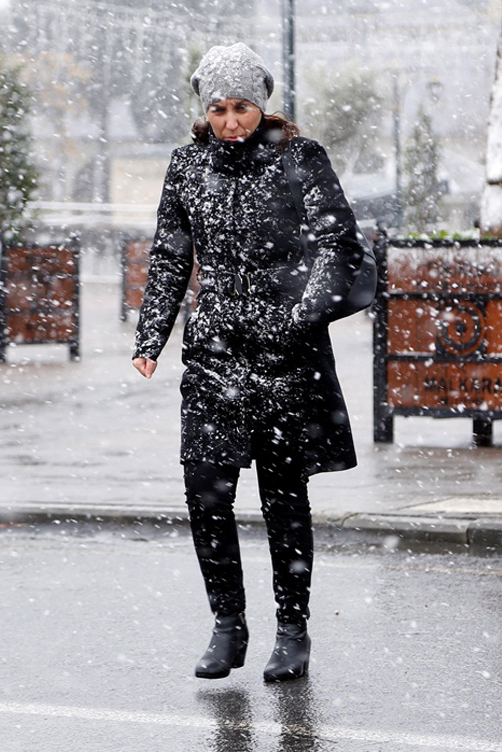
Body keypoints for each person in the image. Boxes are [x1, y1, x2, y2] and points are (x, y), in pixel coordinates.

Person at [131, 42, 363, 683]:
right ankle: (227, 625)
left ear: (261, 105)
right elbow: (172, 255)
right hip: (212, 357)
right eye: (218, 109)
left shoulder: (300, 158)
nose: (230, 121)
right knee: (205, 494)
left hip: (286, 359)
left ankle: (293, 631)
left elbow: (340, 246)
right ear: (204, 111)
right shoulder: (186, 166)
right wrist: (150, 338)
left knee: (283, 499)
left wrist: (296, 317)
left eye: (241, 108)